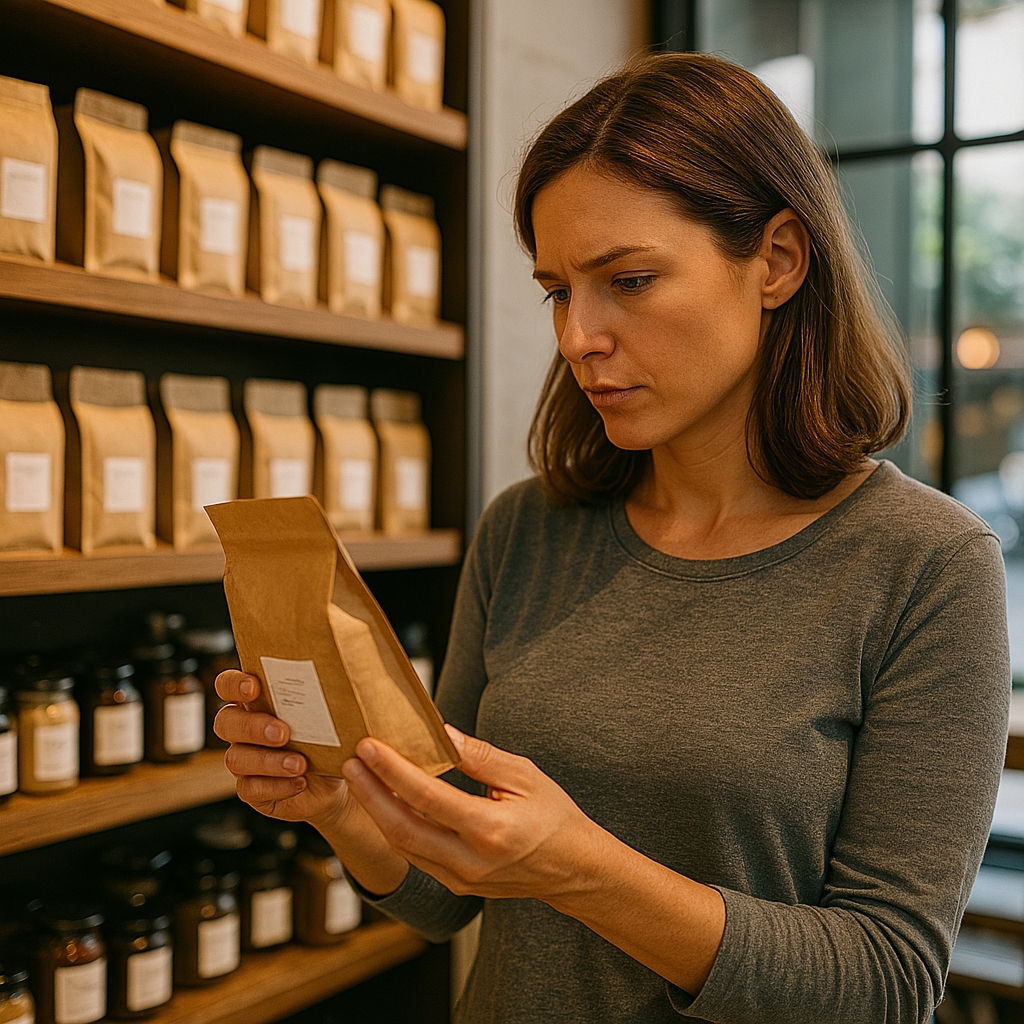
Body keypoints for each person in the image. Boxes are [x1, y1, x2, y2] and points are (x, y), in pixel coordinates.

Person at [214, 52, 1011, 1023]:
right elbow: (447, 889)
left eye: (627, 280)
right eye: (557, 290)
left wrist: (580, 869)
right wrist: (340, 806)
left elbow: (884, 983)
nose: (577, 335)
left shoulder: (925, 565)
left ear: (779, 260)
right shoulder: (528, 530)